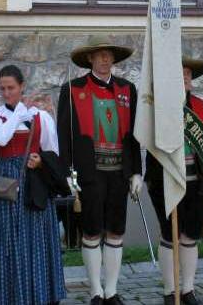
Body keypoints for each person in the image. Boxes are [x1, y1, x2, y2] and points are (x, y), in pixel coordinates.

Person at [57, 36, 142, 305]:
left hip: (120, 173)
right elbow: (64, 136)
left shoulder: (128, 89)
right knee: (92, 231)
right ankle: (95, 290)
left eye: (109, 56)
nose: (105, 60)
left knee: (116, 231)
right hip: (89, 174)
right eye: (100, 55)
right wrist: (69, 174)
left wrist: (137, 172)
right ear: (90, 59)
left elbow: (136, 135)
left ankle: (112, 290)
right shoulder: (72, 89)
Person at [0, 64, 69, 304]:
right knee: (6, 238)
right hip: (7, 181)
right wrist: (19, 113)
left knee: (37, 237)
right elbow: (1, 138)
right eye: (2, 88)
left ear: (22, 87)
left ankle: (41, 293)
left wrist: (41, 162)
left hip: (35, 182)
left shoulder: (42, 117)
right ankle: (7, 295)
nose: (7, 93)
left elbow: (53, 153)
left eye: (11, 88)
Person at [146, 57, 203, 305]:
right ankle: (169, 290)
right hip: (164, 181)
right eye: (180, 73)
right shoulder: (157, 107)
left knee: (190, 235)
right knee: (169, 234)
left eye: (188, 73)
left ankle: (187, 289)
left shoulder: (201, 106)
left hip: (196, 181)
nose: (185, 76)